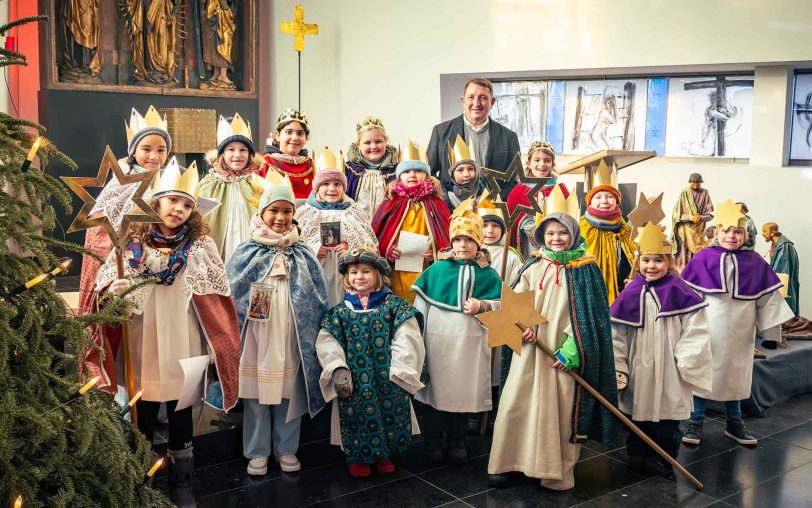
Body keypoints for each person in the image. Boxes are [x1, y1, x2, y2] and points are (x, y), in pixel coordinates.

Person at [96, 159, 240, 507]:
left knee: (180, 411)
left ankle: (182, 480)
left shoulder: (201, 248)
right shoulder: (130, 246)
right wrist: (113, 292)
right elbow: (104, 290)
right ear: (155, 203)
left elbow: (215, 295)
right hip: (142, 339)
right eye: (173, 200)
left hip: (185, 338)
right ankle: (142, 476)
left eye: (187, 204)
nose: (179, 209)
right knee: (142, 409)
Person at [488, 204, 617, 491]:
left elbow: (593, 316)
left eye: (562, 233)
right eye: (550, 233)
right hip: (530, 351)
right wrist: (523, 326)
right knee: (516, 403)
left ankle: (552, 471)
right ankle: (509, 463)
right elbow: (516, 301)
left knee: (558, 412)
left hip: (561, 355)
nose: (556, 238)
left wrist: (573, 349)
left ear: (573, 234)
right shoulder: (534, 264)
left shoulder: (587, 268)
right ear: (541, 236)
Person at [227, 173, 329, 476]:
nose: (281, 217)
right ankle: (257, 451)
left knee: (289, 392)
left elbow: (317, 295)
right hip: (257, 334)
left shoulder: (303, 251)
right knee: (257, 392)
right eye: (274, 210)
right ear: (261, 213)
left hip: (290, 333)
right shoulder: (247, 250)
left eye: (287, 211)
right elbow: (233, 291)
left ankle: (286, 448)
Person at [681, 200, 793, 447]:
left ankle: (734, 423)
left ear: (746, 234)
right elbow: (687, 297)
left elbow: (769, 301)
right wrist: (683, 330)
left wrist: (772, 335)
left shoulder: (755, 262)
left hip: (740, 333)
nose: (732, 236)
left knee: (736, 377)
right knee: (702, 374)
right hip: (707, 330)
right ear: (716, 232)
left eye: (738, 232)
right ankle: (695, 421)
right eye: (726, 231)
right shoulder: (702, 259)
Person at [79, 105, 172, 388]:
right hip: (128, 275)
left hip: (164, 275)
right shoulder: (119, 183)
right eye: (147, 149)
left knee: (157, 341)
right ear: (133, 151)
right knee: (128, 340)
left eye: (160, 150)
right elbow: (101, 231)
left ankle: (155, 393)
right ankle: (124, 397)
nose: (154, 156)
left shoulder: (173, 179)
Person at [610, 223, 712, 477]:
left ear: (669, 262)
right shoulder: (631, 293)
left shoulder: (680, 291)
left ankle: (663, 458)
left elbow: (695, 331)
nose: (651, 266)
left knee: (667, 421)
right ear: (638, 261)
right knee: (636, 416)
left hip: (669, 367)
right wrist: (619, 365)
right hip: (639, 367)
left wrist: (686, 361)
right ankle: (637, 453)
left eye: (658, 260)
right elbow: (618, 335)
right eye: (646, 260)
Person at [315, 248, 425, 477]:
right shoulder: (339, 313)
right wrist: (337, 367)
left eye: (366, 271)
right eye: (353, 272)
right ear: (346, 278)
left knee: (388, 412)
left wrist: (402, 367)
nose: (359, 276)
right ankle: (357, 457)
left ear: (378, 275)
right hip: (354, 376)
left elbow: (407, 336)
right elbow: (328, 341)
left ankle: (383, 454)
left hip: (387, 374)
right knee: (356, 414)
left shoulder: (394, 307)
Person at [413, 206, 502, 465]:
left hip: (471, 343)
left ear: (479, 242)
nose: (463, 245)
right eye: (458, 240)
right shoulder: (437, 270)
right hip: (437, 341)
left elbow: (503, 308)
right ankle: (433, 439)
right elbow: (420, 309)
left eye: (470, 240)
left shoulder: (489, 274)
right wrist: (418, 341)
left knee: (462, 391)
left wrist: (484, 306)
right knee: (434, 391)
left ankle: (457, 438)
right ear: (451, 242)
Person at [295, 148, 379, 306]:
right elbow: (293, 245)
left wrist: (351, 250)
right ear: (317, 188)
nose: (332, 189)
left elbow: (370, 246)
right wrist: (313, 248)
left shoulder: (354, 212)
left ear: (344, 187)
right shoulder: (305, 213)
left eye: (337, 184)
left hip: (345, 276)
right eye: (325, 184)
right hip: (317, 271)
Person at [371, 142, 451, 303]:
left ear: (427, 175)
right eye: (407, 171)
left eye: (418, 171)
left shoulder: (437, 203)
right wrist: (388, 249)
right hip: (397, 269)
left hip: (426, 266)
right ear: (399, 176)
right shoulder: (390, 202)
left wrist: (435, 250)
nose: (412, 175)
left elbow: (447, 234)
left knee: (424, 302)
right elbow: (378, 234)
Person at [426, 77, 520, 199]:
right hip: (450, 209)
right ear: (463, 100)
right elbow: (428, 173)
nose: (476, 103)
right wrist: (446, 198)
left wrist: (492, 201)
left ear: (492, 102)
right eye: (471, 97)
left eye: (483, 97)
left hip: (492, 210)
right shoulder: (441, 132)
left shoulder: (509, 137)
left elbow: (512, 181)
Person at [199, 113, 264, 263]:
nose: (237, 155)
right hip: (221, 242)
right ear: (221, 154)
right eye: (231, 149)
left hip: (247, 239)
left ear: (250, 154)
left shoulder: (256, 183)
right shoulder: (209, 183)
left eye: (243, 150)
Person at [579, 162, 636, 305]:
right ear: (590, 202)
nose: (604, 201)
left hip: (624, 296)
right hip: (591, 297)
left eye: (610, 196)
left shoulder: (627, 230)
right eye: (598, 197)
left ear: (617, 202)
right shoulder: (580, 229)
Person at [506, 141, 569, 257]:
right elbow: (511, 223)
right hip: (528, 246)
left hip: (555, 245)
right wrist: (525, 225)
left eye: (547, 160)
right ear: (529, 163)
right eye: (537, 160)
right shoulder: (518, 191)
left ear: (552, 164)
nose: (542, 164)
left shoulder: (560, 189)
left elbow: (568, 220)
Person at [344, 116, 399, 218]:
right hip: (357, 227)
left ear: (386, 141)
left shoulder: (397, 171)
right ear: (358, 144)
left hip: (386, 228)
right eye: (367, 142)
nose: (373, 146)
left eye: (378, 141)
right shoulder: (348, 171)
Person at [259, 108, 314, 200]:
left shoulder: (312, 165)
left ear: (306, 138)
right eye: (289, 132)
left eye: (300, 133)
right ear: (278, 135)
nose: (295, 138)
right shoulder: (263, 164)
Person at [671, 173, 714, 270]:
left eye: (697, 184)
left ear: (701, 183)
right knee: (683, 255)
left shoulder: (705, 193)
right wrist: (691, 217)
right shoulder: (684, 193)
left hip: (699, 231)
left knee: (698, 254)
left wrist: (700, 218)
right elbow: (675, 216)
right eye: (693, 183)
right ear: (690, 182)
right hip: (685, 230)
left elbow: (711, 215)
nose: (695, 186)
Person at [763, 222, 800, 317]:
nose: (763, 234)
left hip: (784, 288)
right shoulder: (776, 245)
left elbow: (782, 272)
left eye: (765, 231)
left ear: (772, 233)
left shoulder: (784, 247)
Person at [443, 135, 486, 210]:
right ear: (452, 175)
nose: (466, 174)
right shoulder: (447, 198)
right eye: (460, 170)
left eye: (470, 169)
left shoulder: (486, 195)